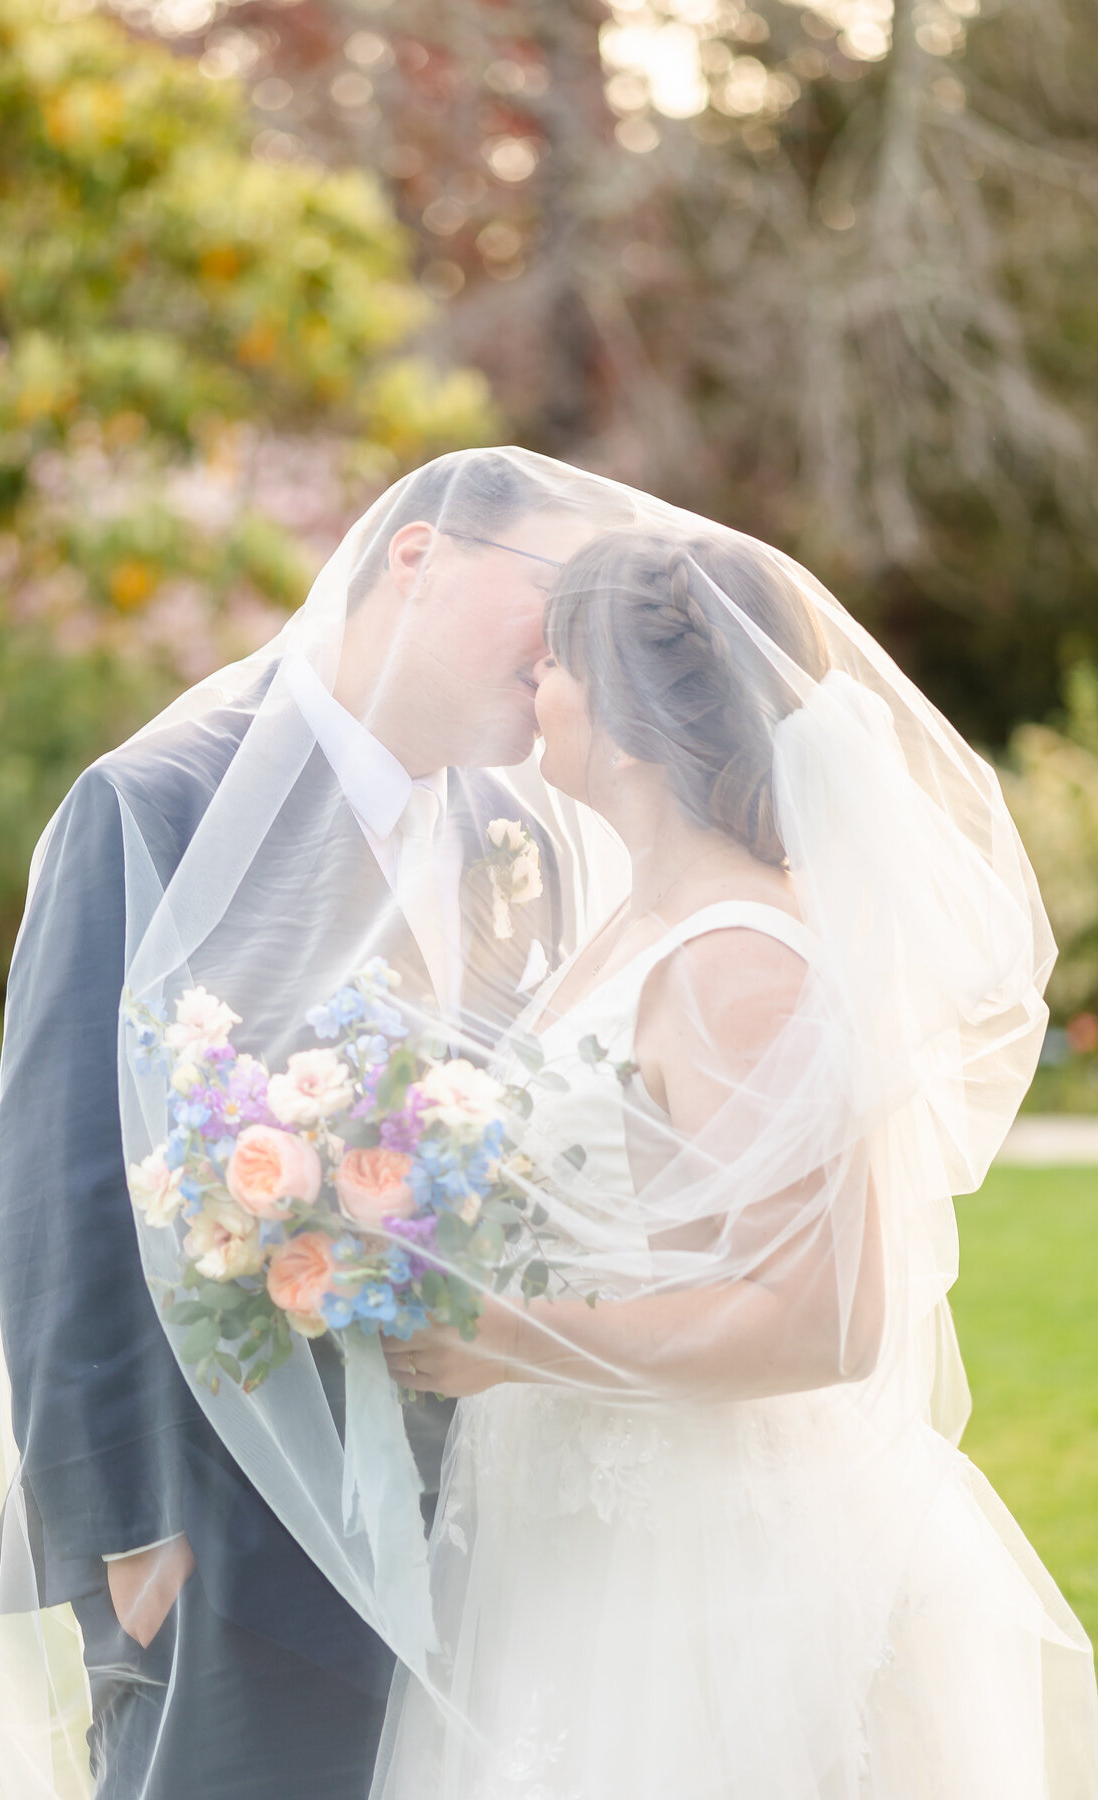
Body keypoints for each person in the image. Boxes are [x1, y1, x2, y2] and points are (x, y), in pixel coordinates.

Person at [371, 523, 1098, 1796]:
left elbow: (827, 1324)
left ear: (639, 724)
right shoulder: (634, 919)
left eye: (555, 665)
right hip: (568, 1524)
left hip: (703, 1555)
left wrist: (506, 1337)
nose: (531, 689)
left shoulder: (741, 958)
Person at [0, 450, 599, 1799]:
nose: (567, 646)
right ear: (418, 558)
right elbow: (60, 1192)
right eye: (553, 593)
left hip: (478, 1515)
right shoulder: (158, 804)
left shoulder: (512, 838)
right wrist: (124, 1535)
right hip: (220, 1531)